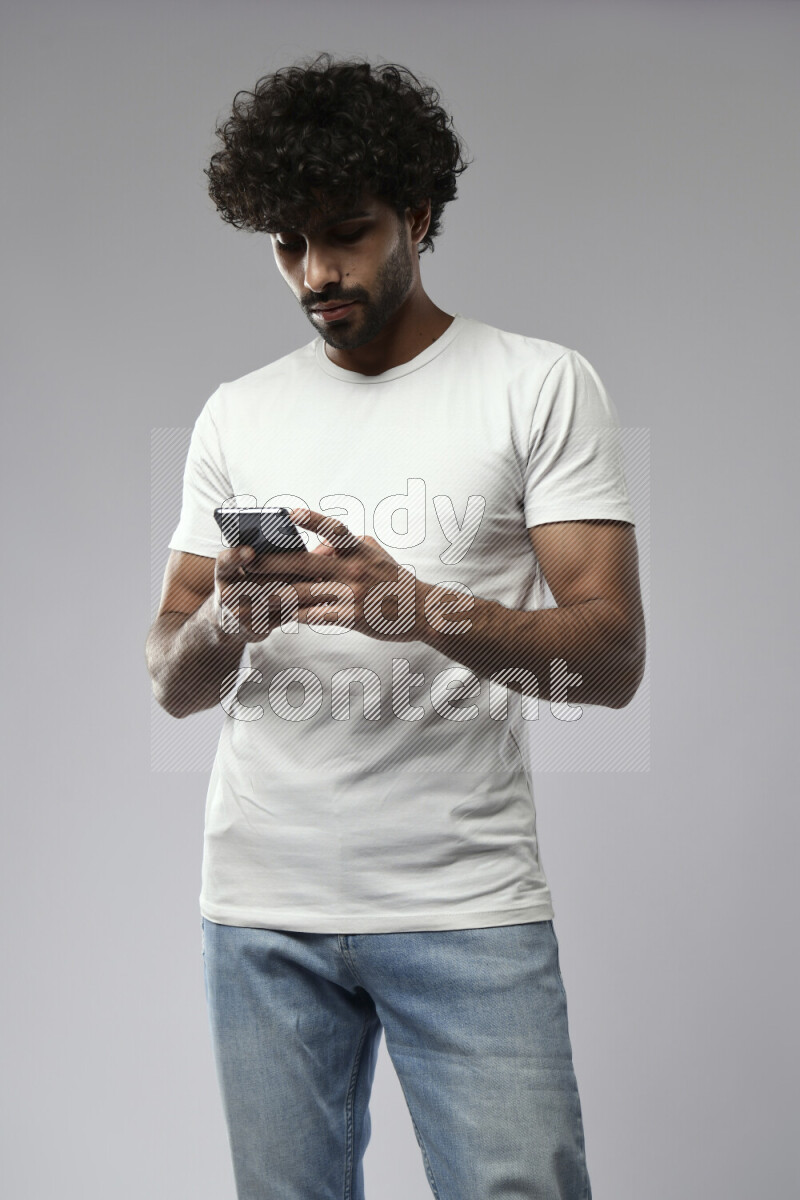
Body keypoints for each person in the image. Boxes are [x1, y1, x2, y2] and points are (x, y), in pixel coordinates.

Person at [145, 51, 645, 1200]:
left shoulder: (536, 385)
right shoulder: (239, 412)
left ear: (419, 216)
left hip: (462, 908)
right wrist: (229, 617)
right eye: (286, 244)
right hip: (259, 912)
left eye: (347, 234)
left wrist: (411, 608)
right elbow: (171, 676)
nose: (315, 272)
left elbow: (608, 658)